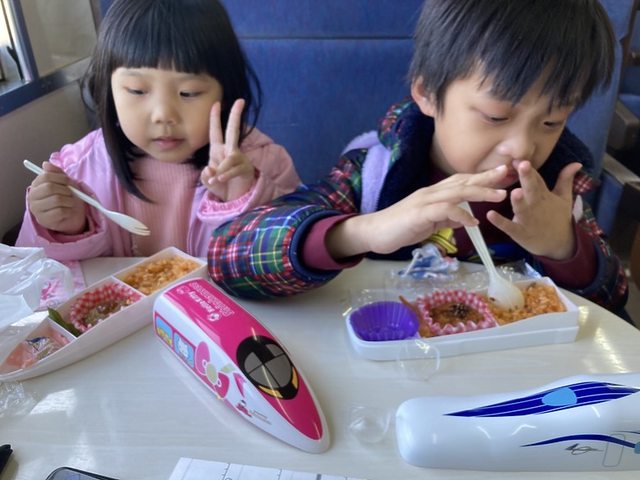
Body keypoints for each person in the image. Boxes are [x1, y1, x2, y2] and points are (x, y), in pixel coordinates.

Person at [208, 0, 628, 315]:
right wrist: (364, 231)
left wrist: (563, 246)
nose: (523, 148)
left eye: (551, 122)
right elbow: (228, 254)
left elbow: (614, 304)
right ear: (427, 93)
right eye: (496, 116)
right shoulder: (374, 175)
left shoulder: (556, 193)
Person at [16, 0, 300, 261]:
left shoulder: (263, 163)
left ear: (225, 93)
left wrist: (245, 199)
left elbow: (294, 260)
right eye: (137, 90)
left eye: (188, 92)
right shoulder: (77, 171)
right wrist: (64, 228)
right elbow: (29, 275)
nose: (163, 114)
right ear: (109, 91)